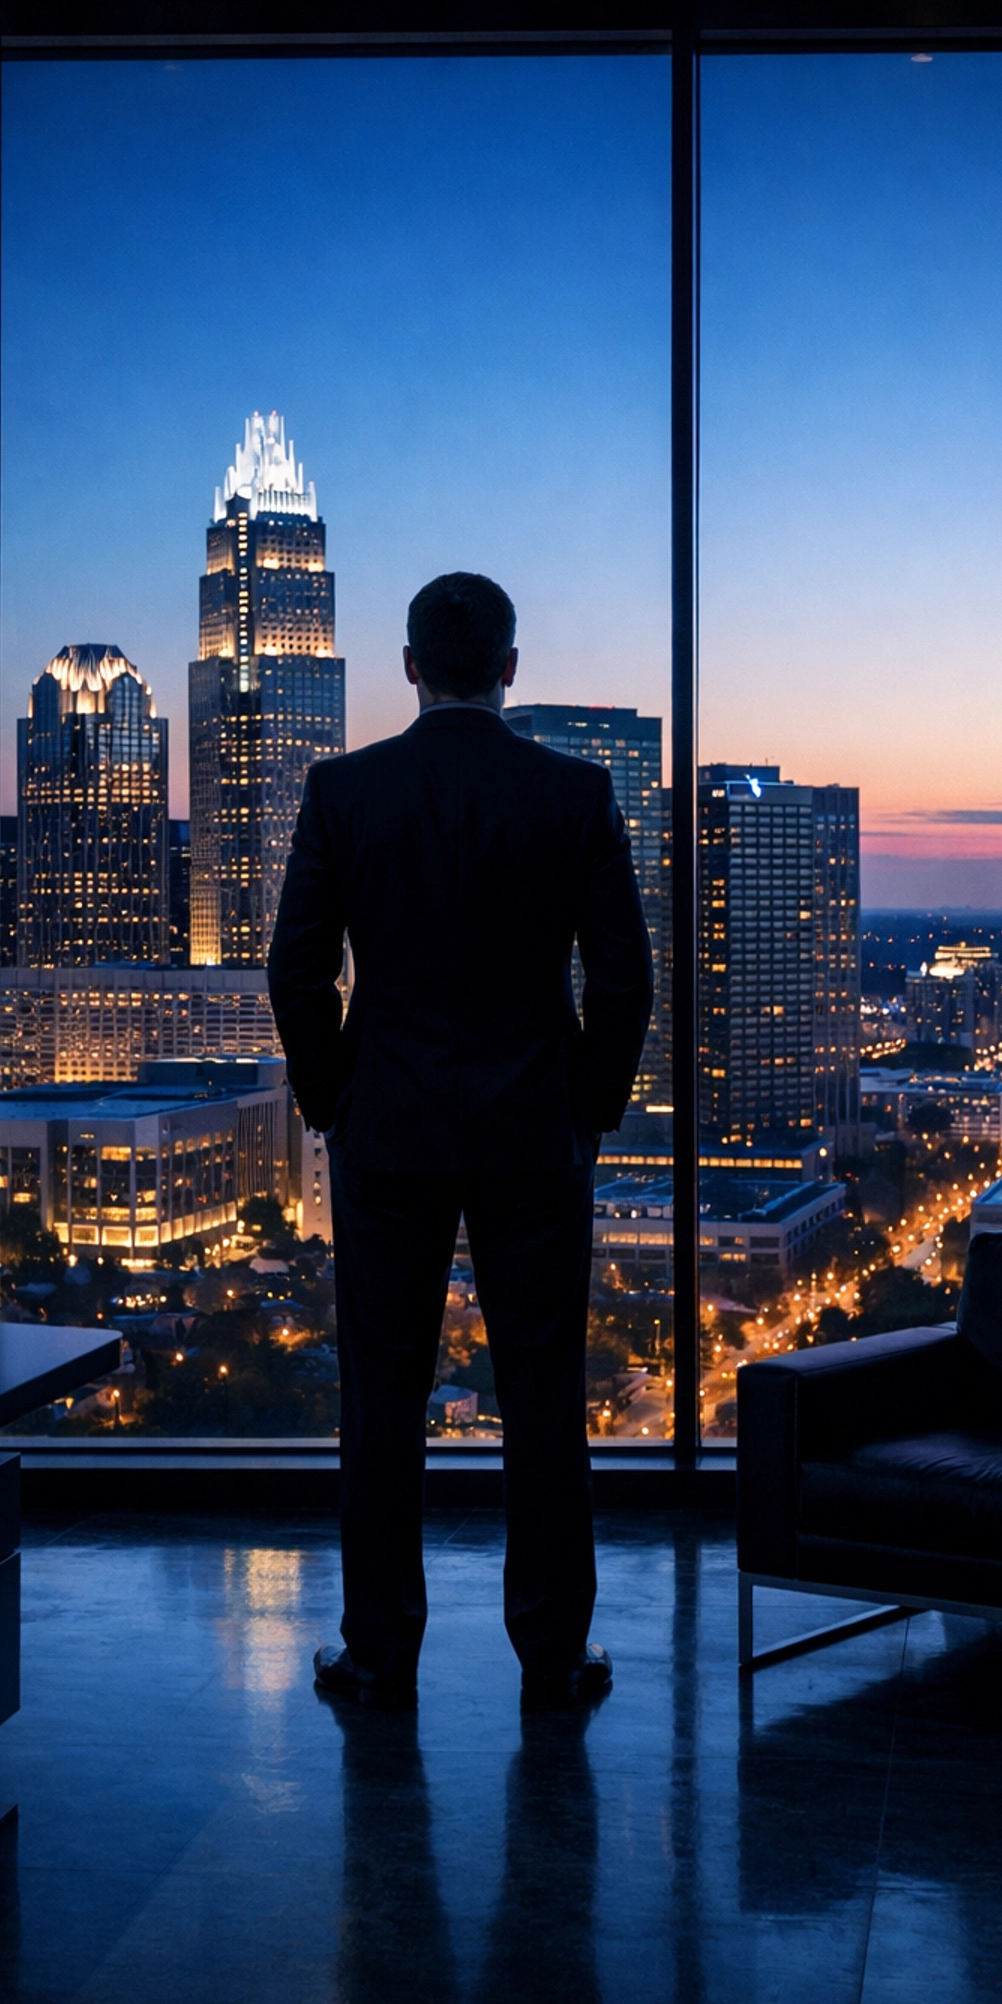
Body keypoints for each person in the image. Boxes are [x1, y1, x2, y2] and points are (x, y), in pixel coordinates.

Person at [267, 571, 654, 1710]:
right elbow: (624, 977)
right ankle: (551, 1650)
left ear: (407, 667)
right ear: (510, 670)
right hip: (535, 1132)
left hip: (387, 1130)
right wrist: (586, 1103)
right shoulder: (575, 796)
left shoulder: (345, 791)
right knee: (542, 1397)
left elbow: (297, 968)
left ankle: (381, 1649)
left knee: (380, 1404)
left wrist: (335, 1094)